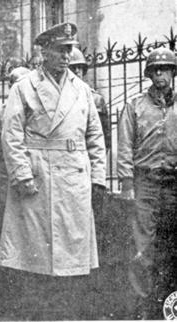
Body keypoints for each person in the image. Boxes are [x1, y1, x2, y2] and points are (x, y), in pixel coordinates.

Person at [0, 22, 106, 320]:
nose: (66, 56)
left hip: (73, 178)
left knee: (72, 250)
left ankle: (66, 313)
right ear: (44, 52)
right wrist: (22, 175)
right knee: (36, 253)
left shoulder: (82, 90)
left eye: (69, 50)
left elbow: (95, 138)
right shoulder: (24, 87)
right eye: (60, 50)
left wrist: (97, 178)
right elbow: (11, 135)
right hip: (38, 177)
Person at [117, 47, 177, 319]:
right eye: (155, 70)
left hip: (174, 184)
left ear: (173, 72)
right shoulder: (135, 107)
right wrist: (127, 184)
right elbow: (124, 146)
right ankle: (142, 310)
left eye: (165, 69)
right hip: (146, 185)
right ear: (149, 74)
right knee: (143, 248)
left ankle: (170, 306)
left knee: (172, 246)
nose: (160, 75)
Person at [0, 66, 30, 315]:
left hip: (31, 178)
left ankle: (27, 297)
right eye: (15, 84)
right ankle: (1, 297)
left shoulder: (38, 111)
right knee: (0, 235)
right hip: (3, 178)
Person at [69, 47, 111, 150]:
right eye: (73, 68)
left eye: (80, 67)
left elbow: (104, 137)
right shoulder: (59, 98)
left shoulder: (96, 99)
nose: (77, 71)